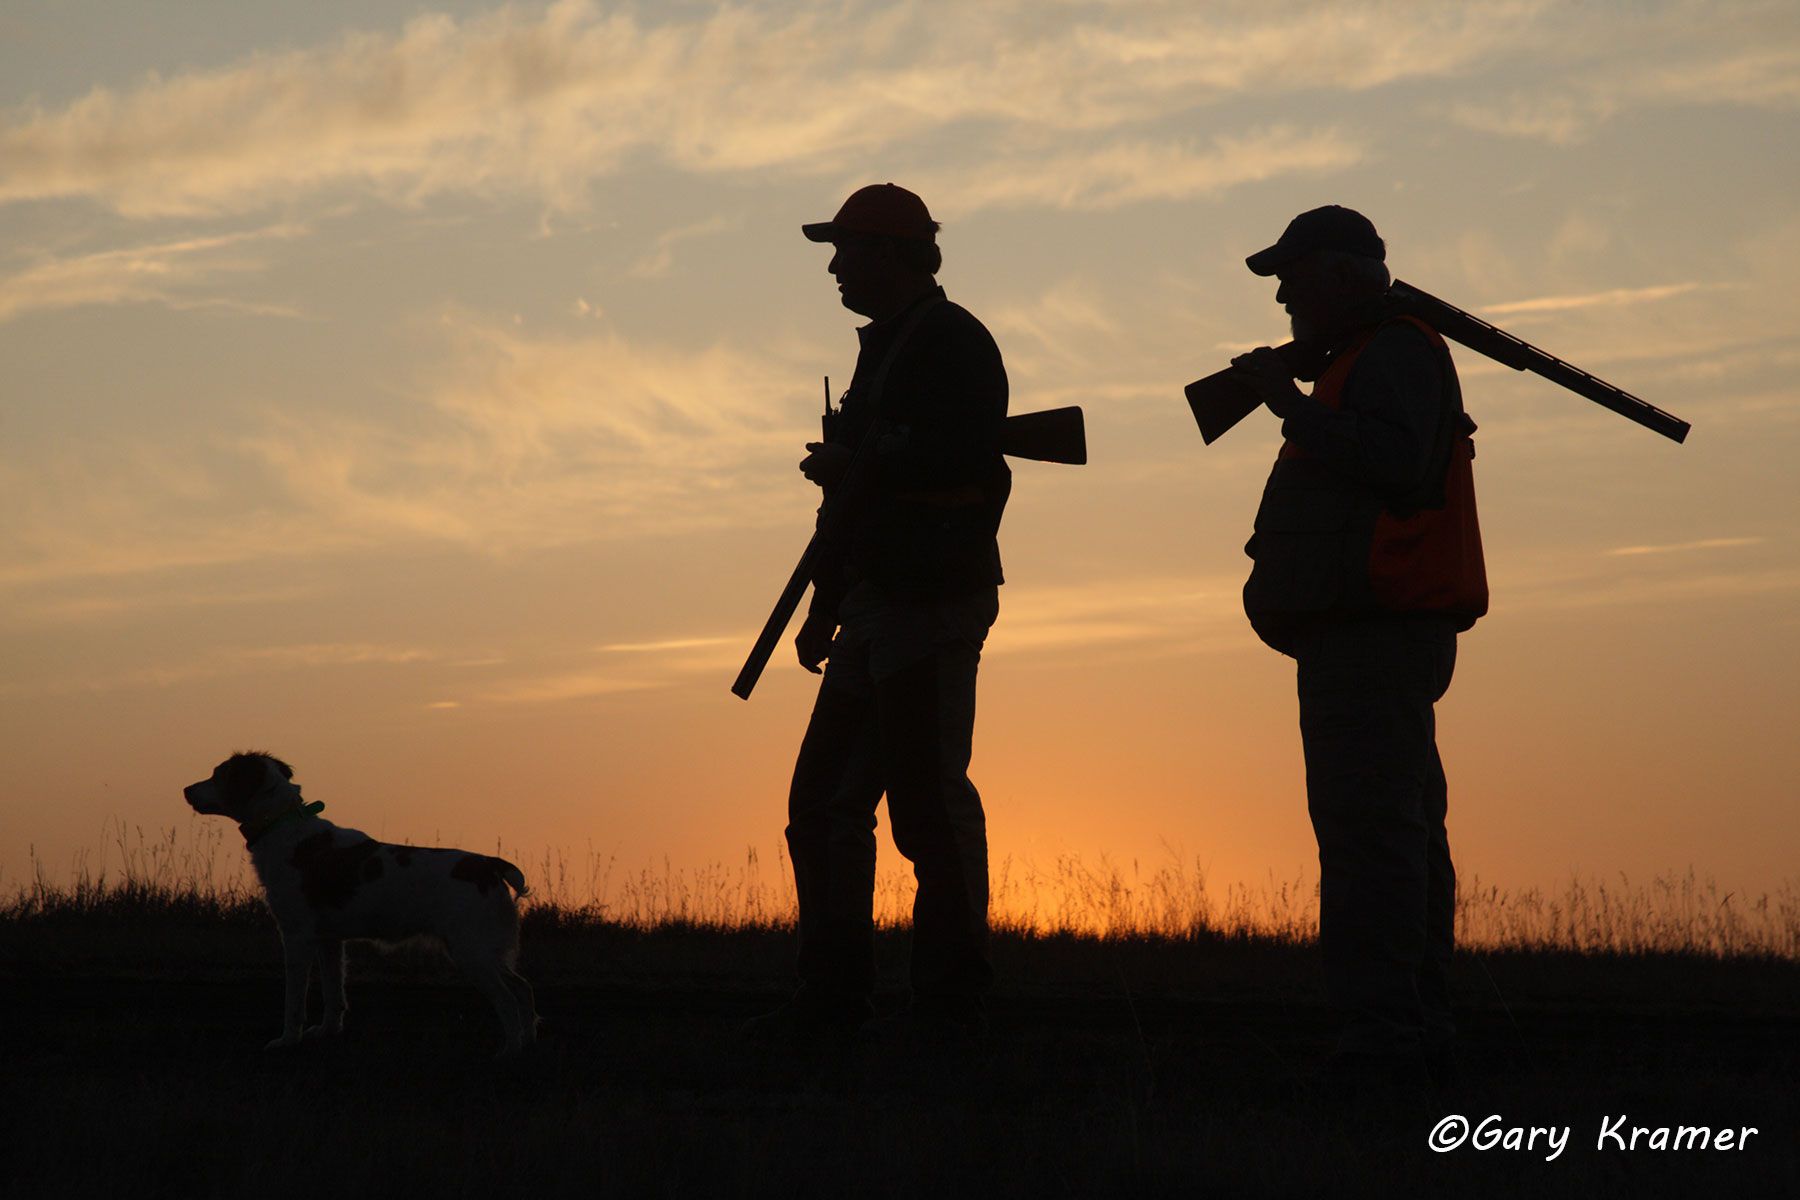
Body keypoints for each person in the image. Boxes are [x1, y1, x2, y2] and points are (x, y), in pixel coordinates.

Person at [1226, 206, 1488, 1088]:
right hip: (1361, 633)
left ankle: (1384, 1040)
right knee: (1389, 834)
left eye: (1293, 279)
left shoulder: (1396, 354)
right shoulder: (1363, 358)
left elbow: (1399, 463)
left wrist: (1286, 407)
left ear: (1341, 276)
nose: (1284, 298)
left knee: (1374, 836)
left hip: (1375, 634)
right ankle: (1406, 1025)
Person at [750, 183, 1010, 1043]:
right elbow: (863, 495)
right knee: (822, 805)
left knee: (928, 809)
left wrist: (862, 463)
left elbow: (971, 464)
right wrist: (829, 602)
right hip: (876, 604)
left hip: (927, 606)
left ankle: (951, 1008)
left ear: (892, 254)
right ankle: (834, 1002)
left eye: (848, 247)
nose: (833, 265)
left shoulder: (950, 342)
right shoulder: (895, 346)